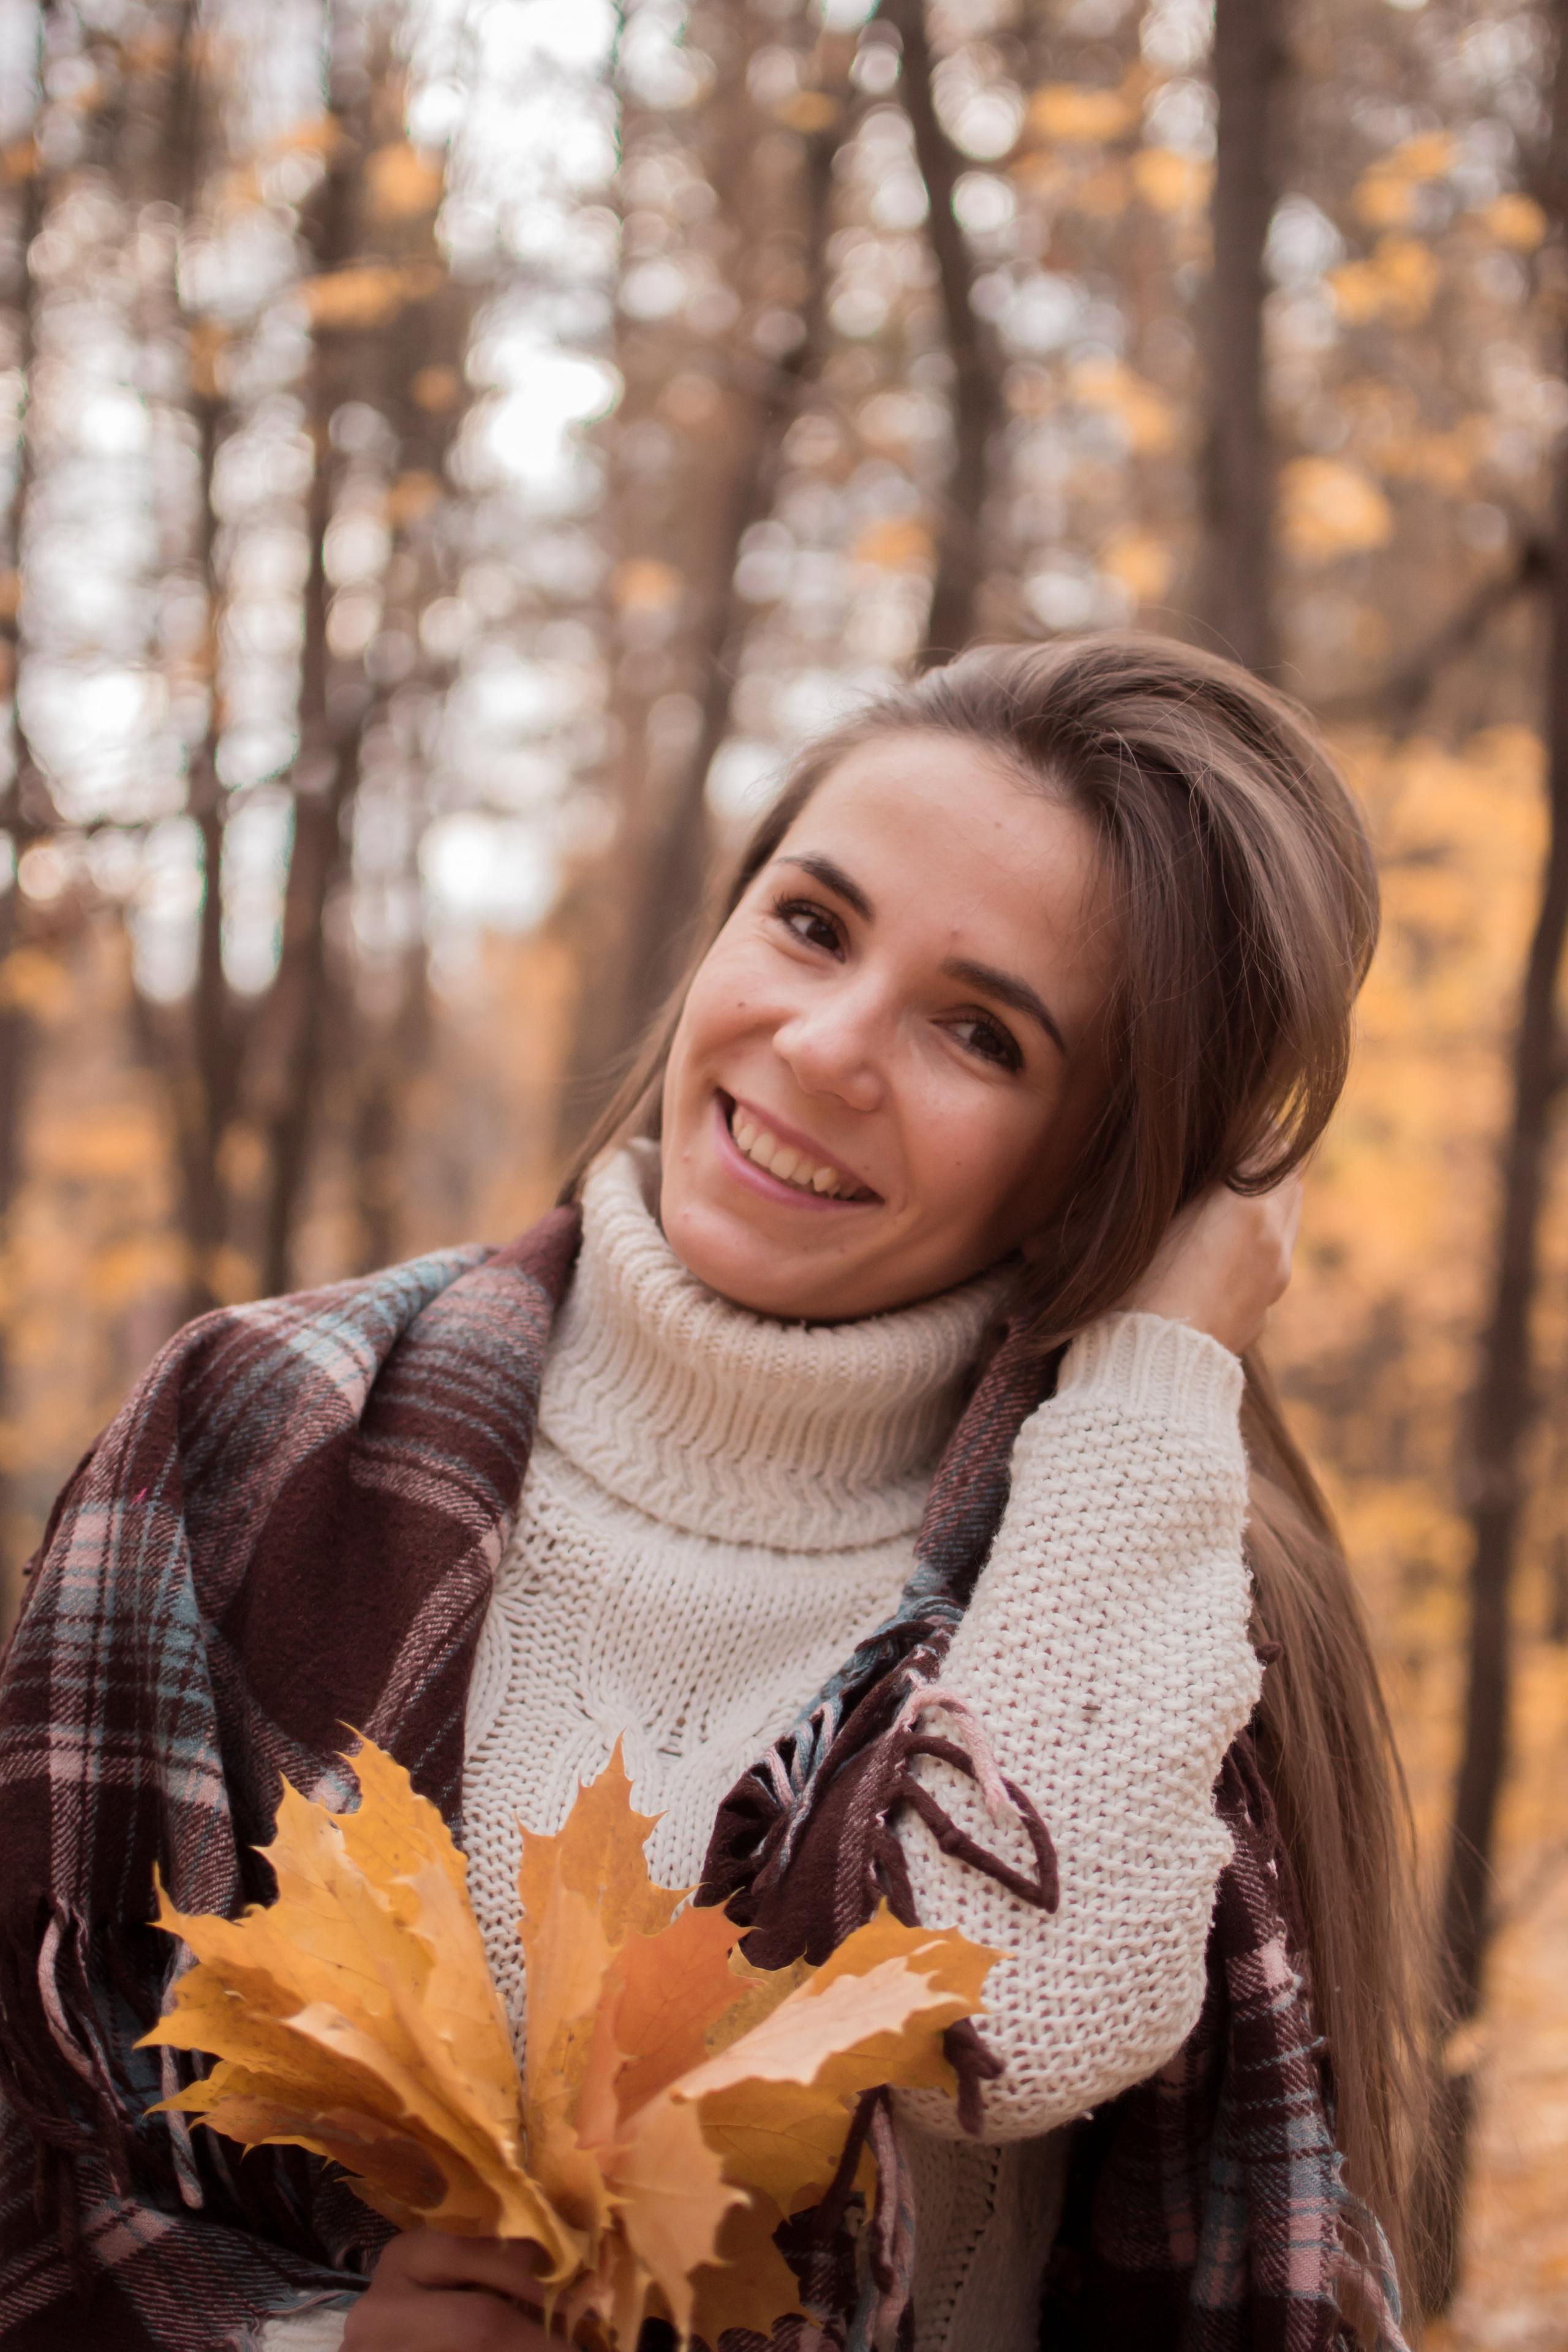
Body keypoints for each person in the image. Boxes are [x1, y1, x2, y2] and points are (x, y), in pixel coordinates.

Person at [0, 635, 1422, 2352]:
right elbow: (37, 2147)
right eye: (812, 924)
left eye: (982, 1034)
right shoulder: (255, 1431)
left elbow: (1007, 2031)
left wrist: (1156, 1376)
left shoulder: (1148, 1568)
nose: (823, 1046)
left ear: (1101, 1166)